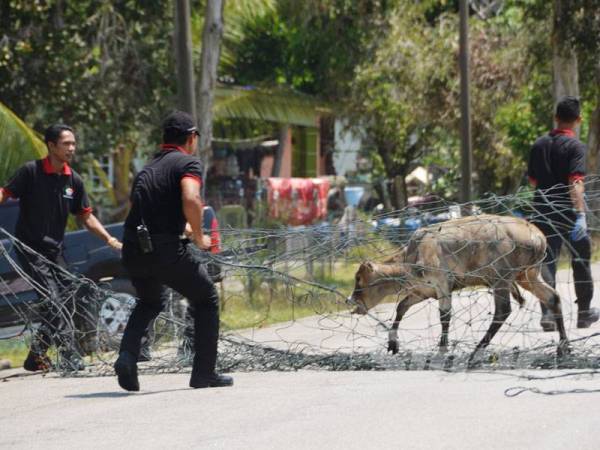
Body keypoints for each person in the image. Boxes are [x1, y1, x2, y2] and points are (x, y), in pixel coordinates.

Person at [113, 110, 233, 391]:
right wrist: (201, 235)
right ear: (191, 137)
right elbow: (191, 197)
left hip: (133, 248)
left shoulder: (148, 167)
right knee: (206, 298)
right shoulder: (187, 163)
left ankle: (127, 356)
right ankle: (204, 373)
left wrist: (186, 229)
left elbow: (152, 208)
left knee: (150, 301)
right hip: (164, 249)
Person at [0, 124, 123, 371]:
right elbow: (4, 194)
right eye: (66, 144)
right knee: (53, 301)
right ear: (52, 146)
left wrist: (109, 239)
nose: (72, 148)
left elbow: (86, 216)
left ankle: (35, 357)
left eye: (73, 144)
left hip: (55, 251)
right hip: (30, 251)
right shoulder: (31, 172)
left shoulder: (73, 180)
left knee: (67, 300)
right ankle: (69, 354)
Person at [528, 96, 599, 331]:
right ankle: (584, 313)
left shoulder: (538, 145)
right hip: (568, 213)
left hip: (542, 212)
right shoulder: (576, 147)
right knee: (580, 261)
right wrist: (580, 215)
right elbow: (575, 182)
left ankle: (548, 315)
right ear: (578, 120)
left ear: (556, 118)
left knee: (547, 261)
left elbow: (533, 181)